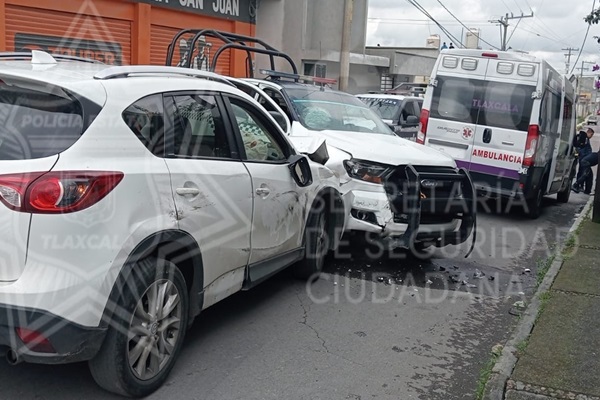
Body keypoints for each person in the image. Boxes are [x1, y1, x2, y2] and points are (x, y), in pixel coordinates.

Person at [572, 127, 596, 194]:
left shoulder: (586, 139)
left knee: (583, 172)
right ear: (589, 132)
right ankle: (577, 186)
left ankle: (581, 187)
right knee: (584, 173)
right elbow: (582, 149)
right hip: (584, 159)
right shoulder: (584, 138)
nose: (591, 136)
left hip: (584, 158)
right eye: (591, 135)